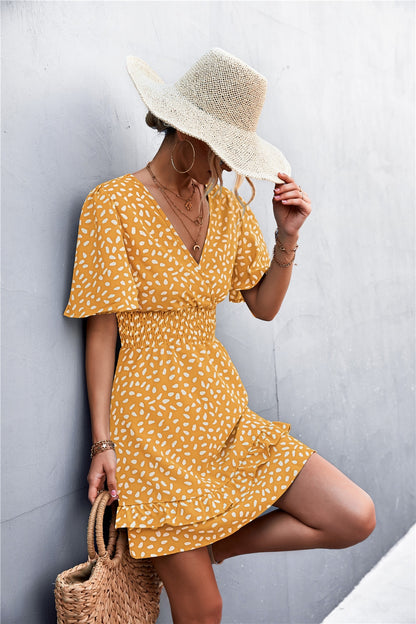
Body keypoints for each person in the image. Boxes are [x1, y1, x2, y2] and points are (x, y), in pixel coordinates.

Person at [64, 48, 375, 624]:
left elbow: (263, 306)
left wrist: (287, 237)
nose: (228, 169)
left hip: (223, 414)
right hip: (150, 429)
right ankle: (190, 554)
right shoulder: (113, 205)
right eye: (222, 152)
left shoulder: (227, 210)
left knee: (354, 514)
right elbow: (101, 334)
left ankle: (213, 547)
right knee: (205, 609)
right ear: (187, 134)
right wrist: (102, 445)